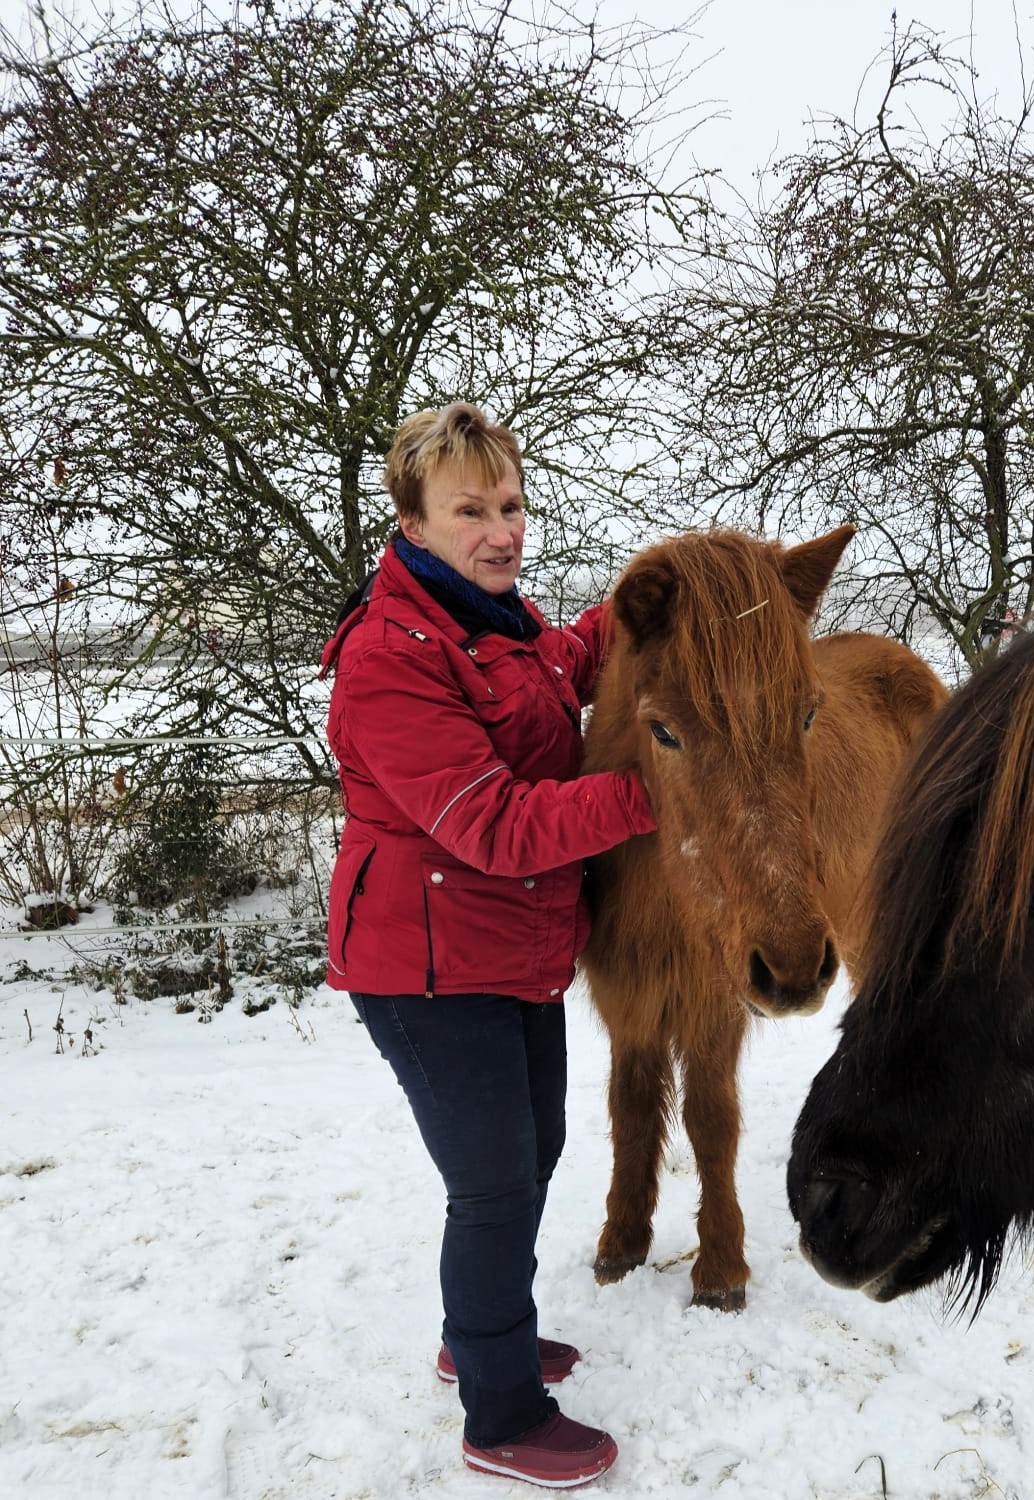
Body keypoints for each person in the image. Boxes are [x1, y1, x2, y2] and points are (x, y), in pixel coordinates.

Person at [320, 403, 655, 1487]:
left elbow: (564, 663)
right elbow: (497, 823)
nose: (502, 529)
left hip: (508, 948)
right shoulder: (389, 660)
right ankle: (500, 1412)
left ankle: (477, 1335)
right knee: (497, 1182)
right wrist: (655, 790)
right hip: (420, 967)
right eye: (470, 509)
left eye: (510, 504)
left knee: (536, 1146)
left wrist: (660, 592)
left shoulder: (495, 624)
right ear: (412, 521)